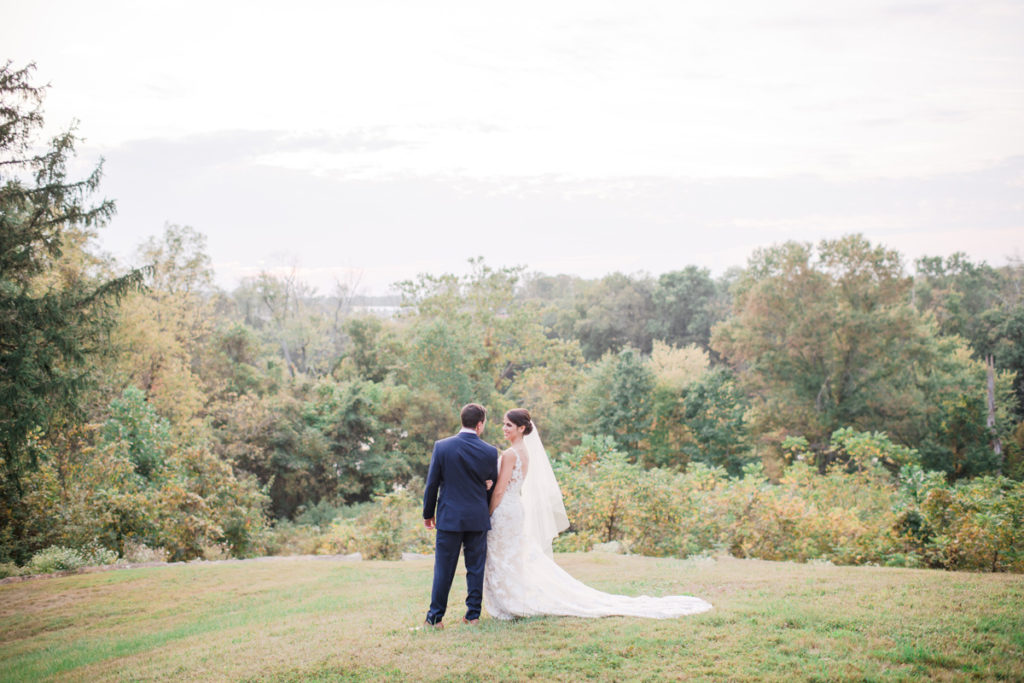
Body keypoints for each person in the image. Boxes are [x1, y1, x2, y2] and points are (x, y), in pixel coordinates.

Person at [483, 408, 713, 619]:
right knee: (511, 555)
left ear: (521, 428)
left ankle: (510, 600)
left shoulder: (512, 453)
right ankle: (512, 596)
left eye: (508, 425)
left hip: (505, 509)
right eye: (503, 424)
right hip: (516, 509)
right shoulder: (523, 451)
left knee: (503, 556)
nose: (504, 428)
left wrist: (489, 512)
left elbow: (501, 489)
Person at [423, 403, 500, 629]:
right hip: (477, 517)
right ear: (479, 424)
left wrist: (428, 514)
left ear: (462, 420)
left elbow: (432, 484)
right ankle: (473, 615)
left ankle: (435, 619)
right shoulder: (490, 451)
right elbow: (491, 487)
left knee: (443, 569)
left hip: (449, 517)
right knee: (475, 568)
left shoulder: (442, 447)